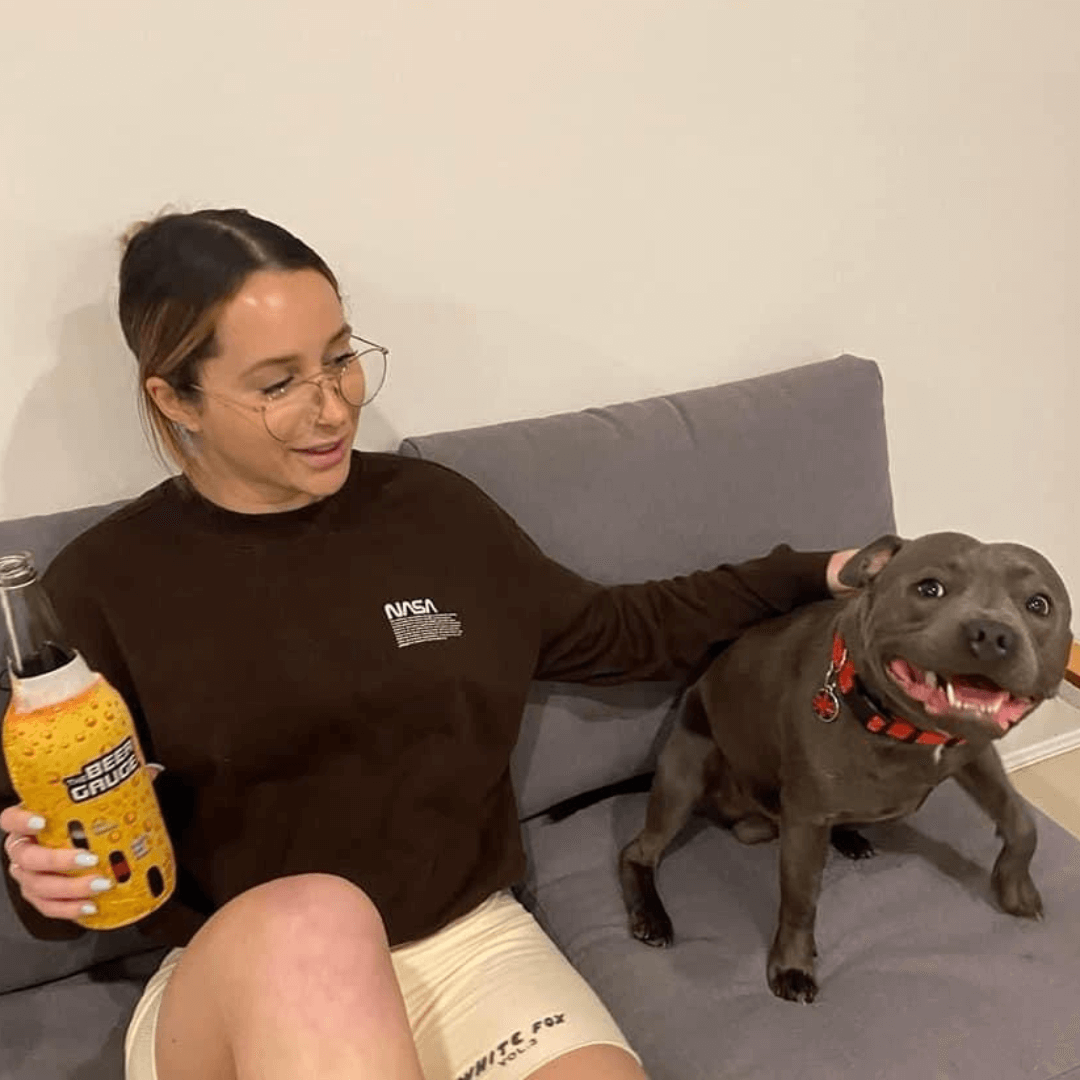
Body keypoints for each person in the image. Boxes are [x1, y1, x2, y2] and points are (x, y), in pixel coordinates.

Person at [0, 208, 857, 1080]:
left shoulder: (434, 514)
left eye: (339, 355)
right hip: (249, 971)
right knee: (318, 916)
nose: (333, 405)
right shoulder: (100, 589)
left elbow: (620, 631)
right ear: (173, 397)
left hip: (465, 945)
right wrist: (48, 886)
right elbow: (61, 842)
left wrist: (819, 574)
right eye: (277, 383)